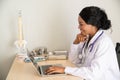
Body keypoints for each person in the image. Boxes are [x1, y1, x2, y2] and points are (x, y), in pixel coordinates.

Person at [46, 6, 120, 80]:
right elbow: (73, 61)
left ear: (93, 24)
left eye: (81, 24)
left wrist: (64, 69)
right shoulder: (87, 38)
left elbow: (94, 73)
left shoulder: (104, 42)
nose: (79, 27)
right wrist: (76, 42)